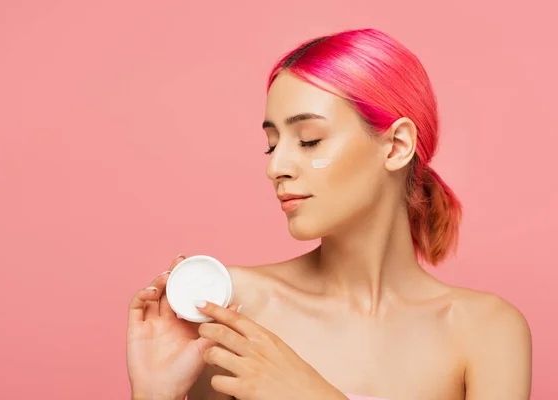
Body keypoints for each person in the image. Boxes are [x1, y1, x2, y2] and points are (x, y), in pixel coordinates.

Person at [126, 28, 532, 400]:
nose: (275, 167)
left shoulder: (487, 331)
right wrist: (153, 395)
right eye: (272, 144)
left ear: (395, 146)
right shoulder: (234, 309)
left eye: (309, 140)